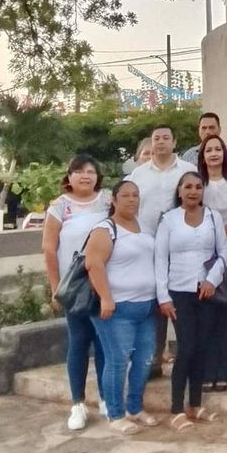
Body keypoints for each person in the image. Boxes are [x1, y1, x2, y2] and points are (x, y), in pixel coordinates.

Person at [156, 171, 227, 431]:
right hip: (179, 292)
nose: (193, 191)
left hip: (206, 291)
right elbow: (159, 259)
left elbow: (224, 250)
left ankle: (195, 404)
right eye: (188, 187)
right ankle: (176, 408)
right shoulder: (169, 220)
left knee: (202, 347)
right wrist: (163, 296)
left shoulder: (213, 217)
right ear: (179, 191)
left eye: (198, 187)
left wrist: (213, 279)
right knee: (186, 347)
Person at [84, 180, 159, 435]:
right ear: (114, 200)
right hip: (116, 309)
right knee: (117, 361)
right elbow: (93, 264)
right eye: (125, 195)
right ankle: (115, 413)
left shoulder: (145, 228)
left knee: (144, 359)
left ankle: (134, 407)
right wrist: (106, 297)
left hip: (146, 307)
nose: (131, 200)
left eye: (136, 195)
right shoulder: (105, 229)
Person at [42, 154, 109, 430]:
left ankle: (107, 397)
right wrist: (55, 287)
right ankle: (78, 404)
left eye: (91, 171)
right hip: (75, 286)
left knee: (105, 342)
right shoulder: (60, 207)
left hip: (104, 283)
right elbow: (49, 248)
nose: (85, 176)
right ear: (68, 177)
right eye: (79, 171)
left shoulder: (107, 200)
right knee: (79, 342)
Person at [127, 125, 197, 378]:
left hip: (181, 249)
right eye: (156, 138)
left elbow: (198, 203)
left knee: (182, 303)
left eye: (166, 137)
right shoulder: (138, 174)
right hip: (147, 247)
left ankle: (186, 359)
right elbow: (129, 207)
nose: (160, 142)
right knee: (155, 304)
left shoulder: (188, 171)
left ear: (174, 141)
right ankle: (154, 359)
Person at [197, 135, 227, 392]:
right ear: (202, 155)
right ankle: (208, 369)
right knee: (207, 313)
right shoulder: (197, 183)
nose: (214, 153)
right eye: (209, 150)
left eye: (218, 149)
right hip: (203, 252)